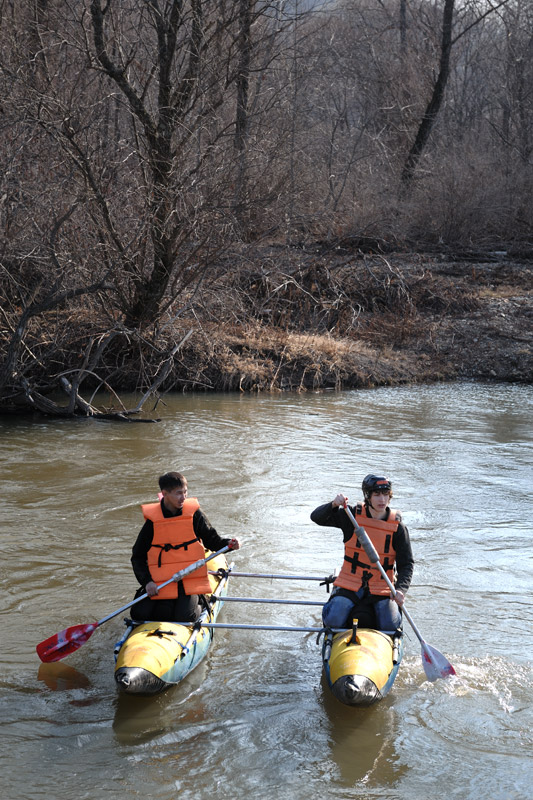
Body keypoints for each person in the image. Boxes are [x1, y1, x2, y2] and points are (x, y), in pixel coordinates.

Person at [130, 471, 240, 623]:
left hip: (189, 577)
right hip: (162, 580)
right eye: (178, 493)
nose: (183, 497)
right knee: (138, 614)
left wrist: (229, 545)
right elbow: (138, 555)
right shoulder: (152, 522)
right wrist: (147, 581)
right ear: (165, 493)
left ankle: (201, 601)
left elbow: (212, 541)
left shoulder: (194, 514)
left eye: (185, 492)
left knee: (185, 617)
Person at [311, 474, 414, 633]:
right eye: (377, 495)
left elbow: (406, 564)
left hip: (382, 586)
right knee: (334, 619)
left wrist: (400, 589)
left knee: (390, 625)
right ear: (368, 496)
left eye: (386, 494)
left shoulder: (398, 528)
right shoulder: (351, 517)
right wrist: (333, 504)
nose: (382, 499)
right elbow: (316, 517)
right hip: (350, 582)